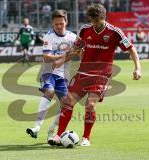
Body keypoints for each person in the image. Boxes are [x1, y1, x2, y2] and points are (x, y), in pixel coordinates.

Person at [51, 3, 141, 147]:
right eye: (92, 20)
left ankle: (86, 138)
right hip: (83, 72)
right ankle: (58, 135)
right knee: (67, 102)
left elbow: (131, 49)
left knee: (90, 105)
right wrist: (61, 61)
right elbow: (75, 50)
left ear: (103, 18)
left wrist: (138, 68)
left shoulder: (115, 32)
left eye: (97, 21)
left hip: (101, 74)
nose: (94, 24)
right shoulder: (85, 30)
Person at [26, 10, 78, 144]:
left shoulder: (72, 37)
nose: (59, 26)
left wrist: (67, 57)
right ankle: (36, 127)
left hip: (64, 75)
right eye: (56, 24)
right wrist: (65, 56)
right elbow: (47, 57)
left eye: (61, 23)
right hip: (48, 72)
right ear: (52, 24)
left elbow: (77, 52)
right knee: (49, 92)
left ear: (66, 22)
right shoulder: (49, 36)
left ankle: (51, 133)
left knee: (65, 104)